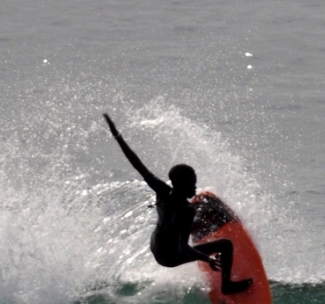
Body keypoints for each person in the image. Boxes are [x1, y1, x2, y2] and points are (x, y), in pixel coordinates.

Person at [104, 114, 250, 293]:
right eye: (192, 183)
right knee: (225, 244)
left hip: (156, 246)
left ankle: (204, 227)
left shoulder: (162, 190)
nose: (195, 187)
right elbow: (183, 248)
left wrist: (117, 136)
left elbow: (137, 164)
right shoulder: (186, 210)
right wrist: (208, 259)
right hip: (169, 257)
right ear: (181, 184)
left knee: (200, 207)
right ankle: (227, 286)